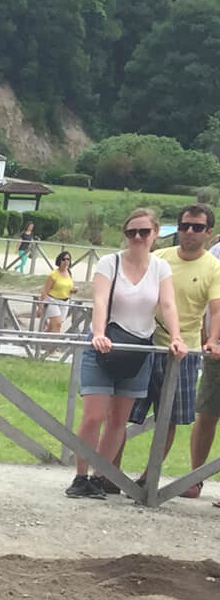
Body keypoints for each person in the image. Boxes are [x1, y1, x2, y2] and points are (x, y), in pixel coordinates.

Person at [64, 208, 184, 499]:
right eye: (132, 233)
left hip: (138, 347)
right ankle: (80, 475)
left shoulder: (160, 267)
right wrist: (99, 332)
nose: (138, 238)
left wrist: (177, 336)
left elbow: (167, 304)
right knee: (94, 415)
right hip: (105, 344)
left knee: (119, 419)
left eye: (144, 232)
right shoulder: (109, 262)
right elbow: (100, 299)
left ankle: (100, 475)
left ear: (155, 234)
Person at [121, 204, 220, 483]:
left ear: (208, 232)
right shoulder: (159, 258)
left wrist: (212, 340)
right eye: (185, 225)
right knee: (121, 409)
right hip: (144, 341)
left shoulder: (214, 267)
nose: (189, 232)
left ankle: (147, 479)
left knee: (169, 418)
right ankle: (109, 474)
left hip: (183, 351)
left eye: (197, 227)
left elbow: (216, 309)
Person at [37, 251, 75, 334]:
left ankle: (40, 341)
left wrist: (72, 291)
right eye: (63, 259)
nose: (66, 261)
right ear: (59, 261)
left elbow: (68, 287)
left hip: (65, 301)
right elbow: (45, 291)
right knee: (57, 325)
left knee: (51, 326)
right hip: (52, 300)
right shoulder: (53, 274)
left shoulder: (69, 273)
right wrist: (40, 307)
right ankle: (53, 346)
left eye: (68, 259)